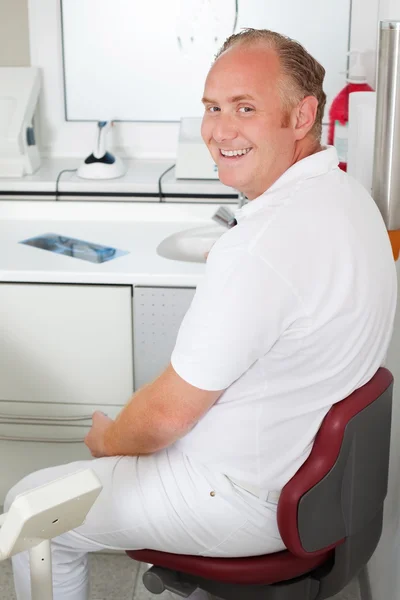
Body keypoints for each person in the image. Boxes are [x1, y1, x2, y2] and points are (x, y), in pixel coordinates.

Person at [5, 28, 397, 600]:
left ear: (302, 115)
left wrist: (110, 440)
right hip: (305, 482)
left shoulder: (264, 243)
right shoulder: (350, 199)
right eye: (213, 108)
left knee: (30, 510)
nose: (220, 131)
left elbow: (164, 417)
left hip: (235, 497)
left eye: (246, 108)